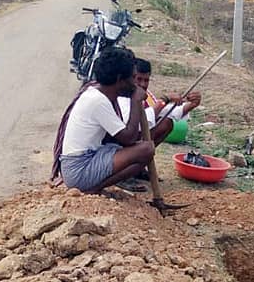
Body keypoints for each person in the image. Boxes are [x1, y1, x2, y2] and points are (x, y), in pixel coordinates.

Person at [51, 47, 154, 193]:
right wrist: (136, 101)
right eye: (132, 78)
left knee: (137, 147)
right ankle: (92, 188)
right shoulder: (98, 101)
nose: (135, 84)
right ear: (119, 79)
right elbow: (129, 138)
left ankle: (92, 186)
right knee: (146, 149)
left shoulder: (97, 93)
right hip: (78, 169)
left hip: (82, 161)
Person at [113, 58, 202, 191]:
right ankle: (121, 174)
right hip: (116, 146)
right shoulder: (122, 94)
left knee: (167, 124)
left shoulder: (145, 94)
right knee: (137, 134)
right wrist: (164, 100)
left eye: (146, 80)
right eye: (139, 79)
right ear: (131, 77)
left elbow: (166, 112)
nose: (143, 84)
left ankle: (136, 168)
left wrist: (191, 105)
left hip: (133, 140)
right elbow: (134, 125)